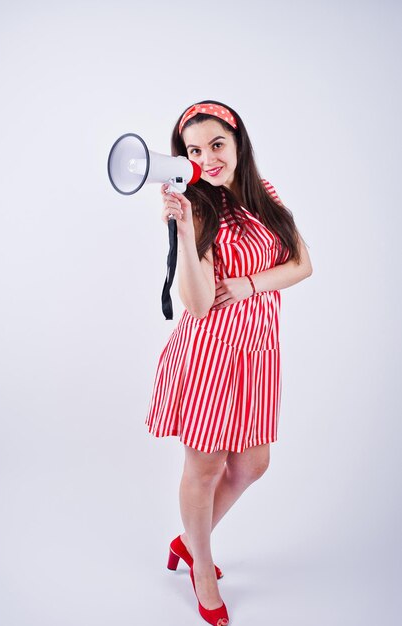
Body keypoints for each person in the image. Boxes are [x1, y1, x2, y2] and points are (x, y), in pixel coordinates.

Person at [145, 100, 313, 626]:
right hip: (210, 356)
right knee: (207, 466)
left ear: (238, 142)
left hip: (259, 352)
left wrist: (247, 285)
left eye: (217, 144)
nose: (208, 158)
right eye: (194, 150)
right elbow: (195, 304)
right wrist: (181, 232)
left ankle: (187, 540)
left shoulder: (266, 196)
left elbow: (302, 264)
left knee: (252, 464)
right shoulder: (198, 208)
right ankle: (201, 566)